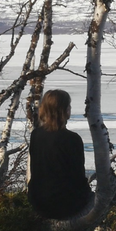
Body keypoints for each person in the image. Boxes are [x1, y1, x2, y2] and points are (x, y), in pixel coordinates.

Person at [28, 89, 93, 220]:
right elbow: (78, 177)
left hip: (37, 201)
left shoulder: (36, 134)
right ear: (63, 110)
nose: (70, 108)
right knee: (100, 200)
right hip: (63, 204)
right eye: (68, 106)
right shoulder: (72, 139)